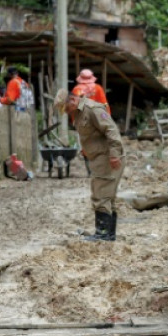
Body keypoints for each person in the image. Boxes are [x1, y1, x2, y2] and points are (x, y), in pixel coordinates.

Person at [54, 87, 124, 241]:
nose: (66, 112)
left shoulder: (92, 109)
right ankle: (109, 234)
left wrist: (114, 155)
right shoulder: (78, 113)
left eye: (66, 108)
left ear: (72, 100)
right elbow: (92, 135)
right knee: (106, 196)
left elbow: (111, 131)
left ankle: (103, 234)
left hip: (106, 157)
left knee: (101, 196)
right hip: (98, 158)